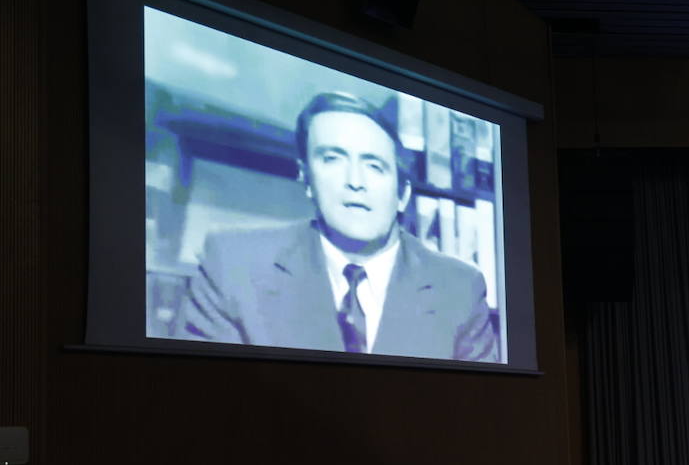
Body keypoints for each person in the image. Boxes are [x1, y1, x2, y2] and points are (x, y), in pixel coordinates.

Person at [179, 91, 498, 361]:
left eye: (374, 166)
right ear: (306, 179)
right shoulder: (232, 265)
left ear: (402, 194)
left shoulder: (460, 289)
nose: (354, 182)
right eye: (332, 159)